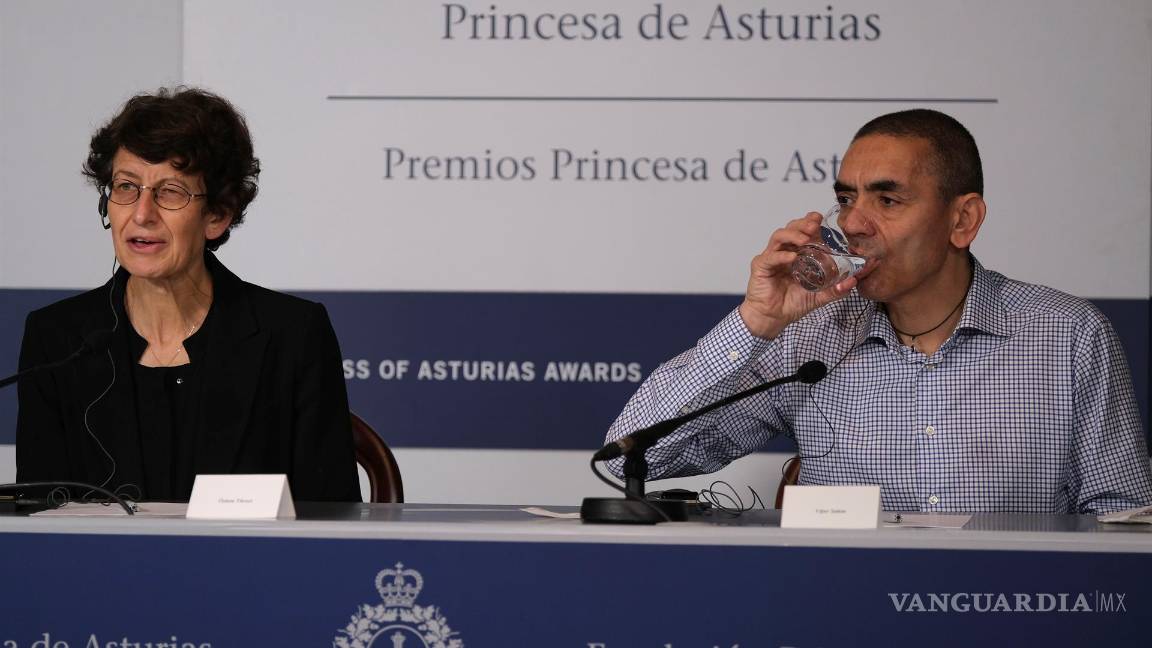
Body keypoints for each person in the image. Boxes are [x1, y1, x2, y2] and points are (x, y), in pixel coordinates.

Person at [605, 109, 1152, 514]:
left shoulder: (1068, 335)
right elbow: (629, 460)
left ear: (963, 220)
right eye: (847, 199)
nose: (855, 224)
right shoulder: (811, 337)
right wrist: (757, 322)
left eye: (887, 201)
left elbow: (1123, 519)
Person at [16, 87, 361, 502]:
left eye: (170, 192)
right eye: (126, 187)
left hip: (249, 566)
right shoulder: (57, 339)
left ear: (217, 214)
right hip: (103, 569)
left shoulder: (291, 336)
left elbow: (330, 517)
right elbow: (40, 523)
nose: (142, 214)